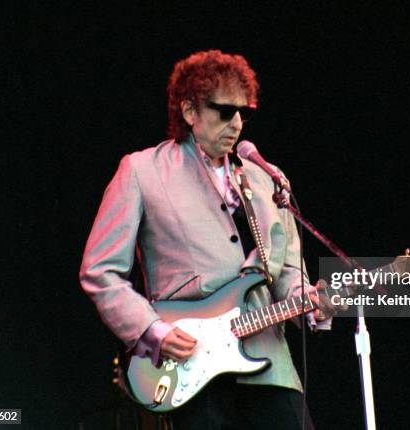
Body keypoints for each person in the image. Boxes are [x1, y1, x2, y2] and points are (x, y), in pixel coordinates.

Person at [79, 49, 332, 429]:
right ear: (189, 111)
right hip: (190, 367)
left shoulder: (267, 181)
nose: (236, 124)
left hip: (272, 367)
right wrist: (153, 330)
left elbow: (287, 274)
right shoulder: (142, 171)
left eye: (244, 113)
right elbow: (100, 272)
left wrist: (311, 305)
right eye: (223, 111)